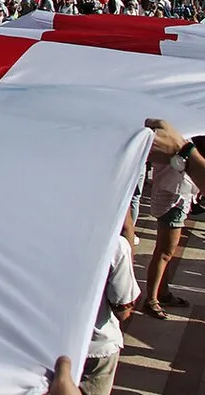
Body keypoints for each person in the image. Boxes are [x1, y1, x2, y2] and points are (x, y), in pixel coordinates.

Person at [142, 132, 200, 319]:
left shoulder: (178, 138)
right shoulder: (178, 141)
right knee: (165, 253)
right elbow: (180, 166)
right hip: (173, 198)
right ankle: (151, 300)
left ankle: (162, 293)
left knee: (166, 253)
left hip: (174, 196)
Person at [80, 236, 139, 395]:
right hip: (97, 347)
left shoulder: (36, 236)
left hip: (45, 344)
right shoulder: (115, 245)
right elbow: (123, 310)